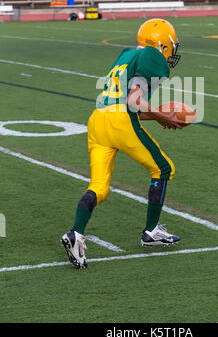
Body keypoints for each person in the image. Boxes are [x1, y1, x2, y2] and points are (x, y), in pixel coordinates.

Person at [61, 19, 187, 269]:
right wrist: (165, 116)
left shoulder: (127, 55)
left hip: (98, 120)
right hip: (120, 121)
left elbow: (129, 103)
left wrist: (157, 117)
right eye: (170, 46)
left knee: (99, 186)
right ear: (162, 44)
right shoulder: (153, 57)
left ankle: (76, 234)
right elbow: (133, 100)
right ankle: (151, 232)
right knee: (163, 168)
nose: (172, 53)